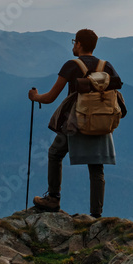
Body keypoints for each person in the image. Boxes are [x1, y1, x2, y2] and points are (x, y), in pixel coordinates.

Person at [27, 28, 122, 218]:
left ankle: (53, 198)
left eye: (74, 42)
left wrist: (35, 96)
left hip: (75, 123)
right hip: (100, 123)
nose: (73, 45)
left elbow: (51, 97)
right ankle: (96, 215)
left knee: (55, 154)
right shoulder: (106, 66)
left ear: (78, 44)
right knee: (96, 167)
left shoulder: (71, 66)